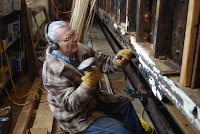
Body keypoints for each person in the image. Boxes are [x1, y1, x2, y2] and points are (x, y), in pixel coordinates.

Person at [42, 20, 145, 134]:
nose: (75, 38)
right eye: (68, 38)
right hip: (77, 117)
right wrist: (88, 84)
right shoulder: (52, 71)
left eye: (73, 33)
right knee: (119, 130)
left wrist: (118, 60)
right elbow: (71, 105)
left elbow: (102, 61)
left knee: (125, 103)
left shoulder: (79, 49)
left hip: (93, 100)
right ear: (55, 45)